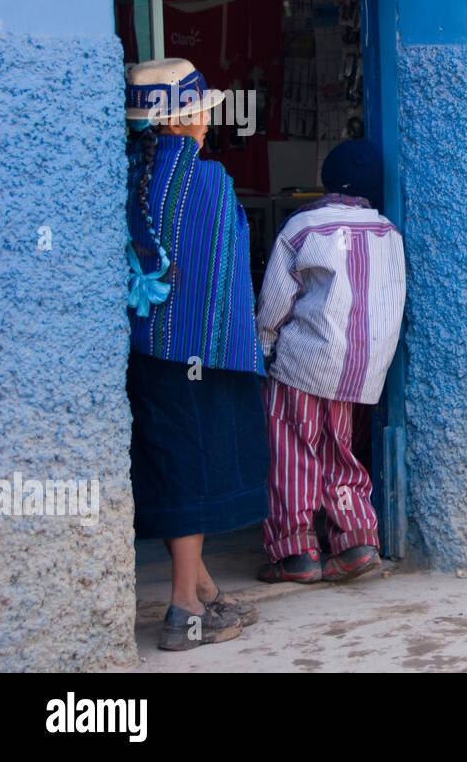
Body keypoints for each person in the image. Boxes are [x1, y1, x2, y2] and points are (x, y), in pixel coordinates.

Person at [124, 58, 268, 651]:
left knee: (170, 465)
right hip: (200, 359)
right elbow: (224, 279)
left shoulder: (132, 179)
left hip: (147, 357)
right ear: (185, 119)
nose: (208, 120)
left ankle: (204, 590)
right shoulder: (207, 182)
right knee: (193, 472)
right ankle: (182, 609)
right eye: (201, 111)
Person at [255, 139, 406, 583]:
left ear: (326, 181)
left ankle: (296, 551)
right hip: (361, 366)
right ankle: (357, 543)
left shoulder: (303, 227)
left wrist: (264, 348)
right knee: (342, 450)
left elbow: (275, 302)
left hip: (305, 359)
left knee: (291, 449)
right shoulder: (388, 232)